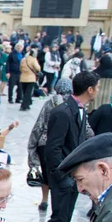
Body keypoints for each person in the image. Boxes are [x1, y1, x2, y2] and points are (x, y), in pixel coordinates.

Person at [28, 71, 96, 222]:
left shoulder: (79, 110)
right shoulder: (62, 111)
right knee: (58, 219)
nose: (98, 90)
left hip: (73, 176)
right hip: (63, 176)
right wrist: (61, 175)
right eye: (97, 87)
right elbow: (53, 147)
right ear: (89, 89)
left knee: (63, 219)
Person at [28, 77, 73, 212]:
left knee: (47, 173)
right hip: (65, 144)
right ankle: (58, 203)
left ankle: (44, 200)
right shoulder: (73, 105)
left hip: (45, 142)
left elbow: (39, 125)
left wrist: (32, 145)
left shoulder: (50, 103)